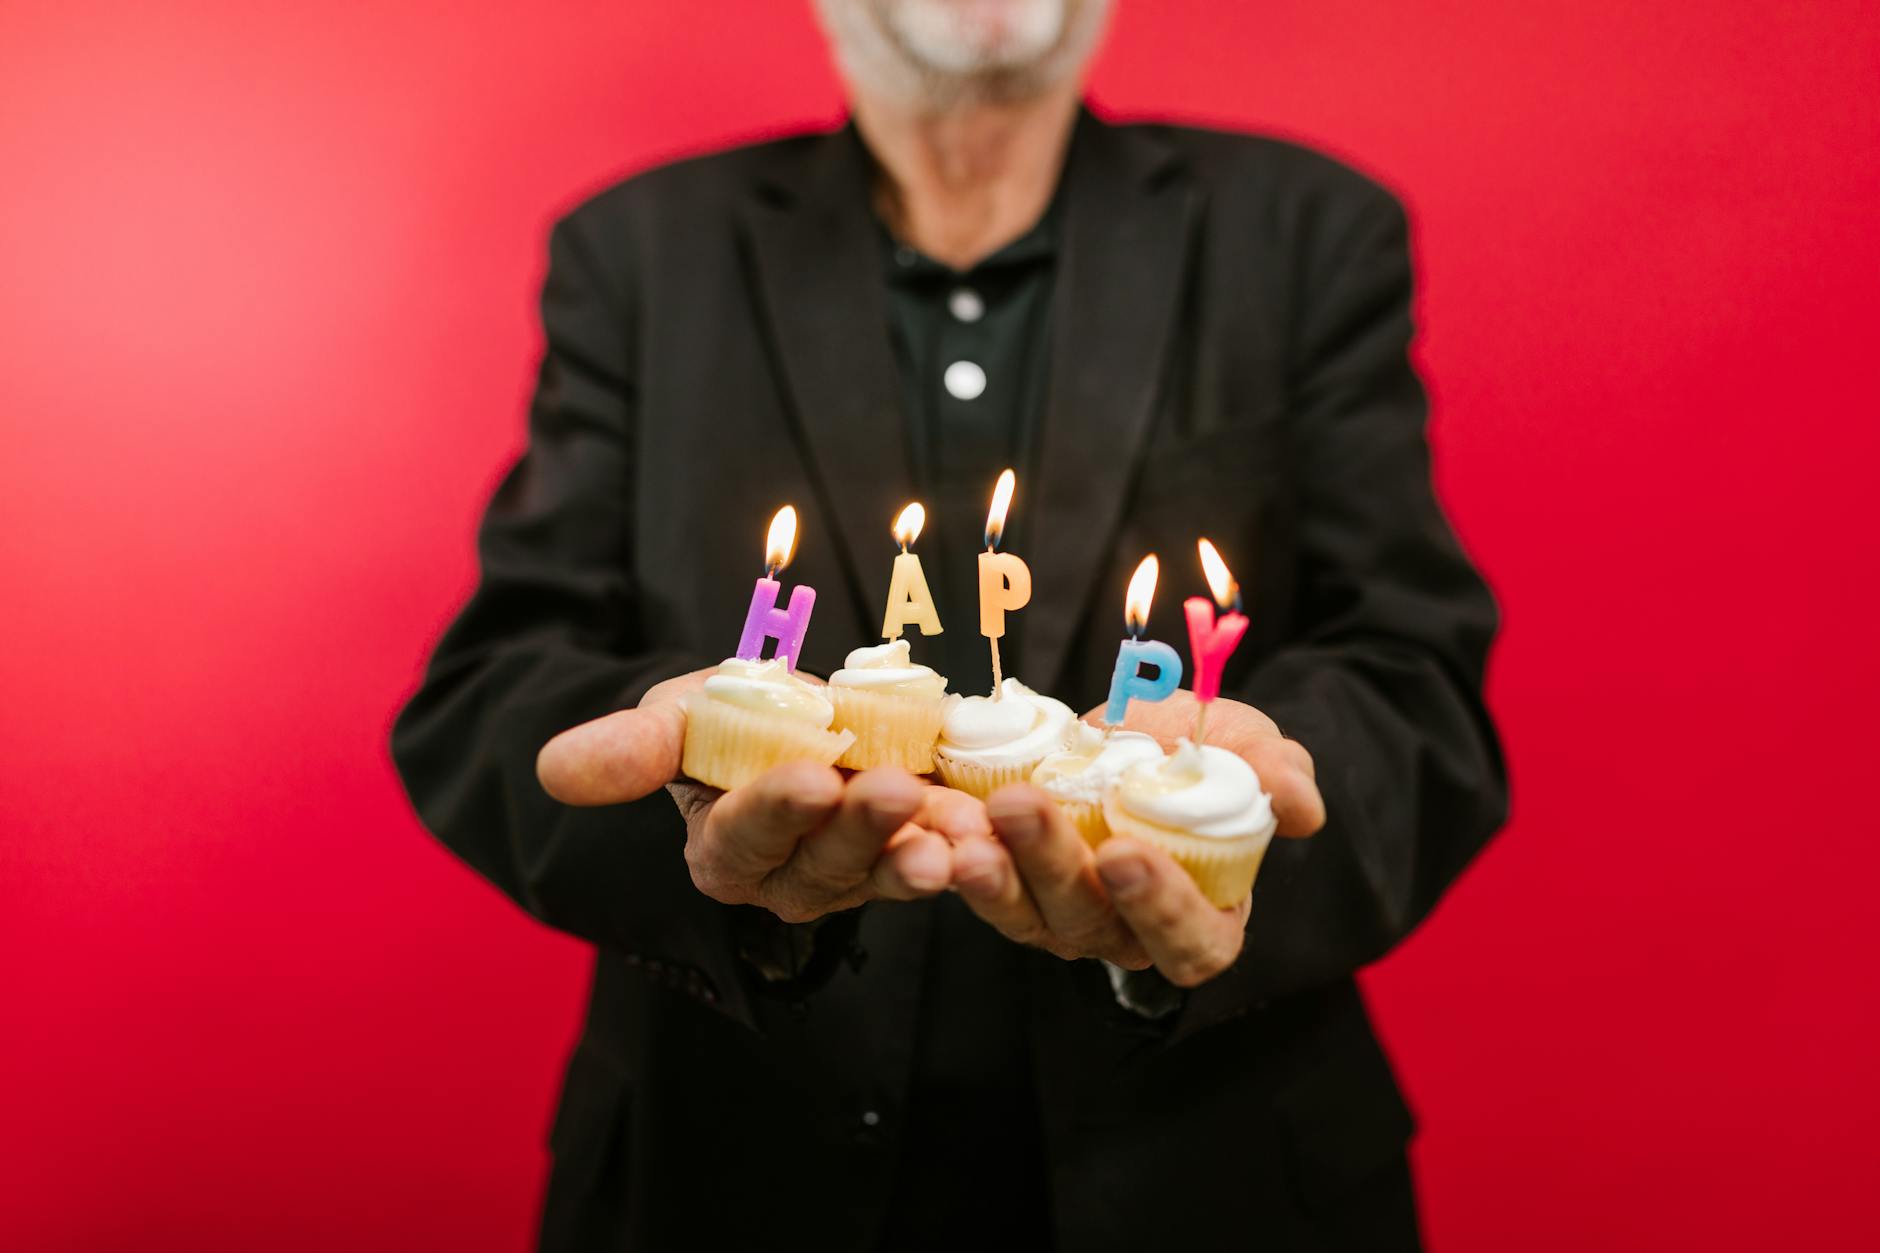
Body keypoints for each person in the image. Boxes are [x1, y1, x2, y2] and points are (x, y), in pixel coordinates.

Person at [391, 0, 1508, 1247]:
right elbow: (498, 687)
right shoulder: (637, 253)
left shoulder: (1304, 233)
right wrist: (710, 772)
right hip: (728, 1179)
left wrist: (1217, 829)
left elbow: (1414, 682)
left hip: (1215, 1177)